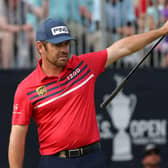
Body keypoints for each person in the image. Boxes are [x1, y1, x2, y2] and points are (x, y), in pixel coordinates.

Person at [8, 17, 168, 168]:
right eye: (57, 45)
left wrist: (160, 31)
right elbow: (17, 138)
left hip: (92, 158)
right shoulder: (26, 88)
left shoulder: (83, 65)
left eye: (66, 44)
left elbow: (123, 47)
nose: (64, 50)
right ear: (40, 47)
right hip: (56, 162)